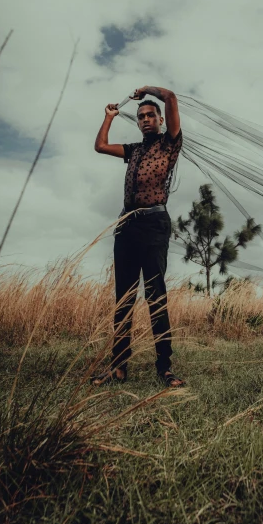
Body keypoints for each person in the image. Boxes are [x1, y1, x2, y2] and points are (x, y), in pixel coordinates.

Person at [91, 85, 184, 387]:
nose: (145, 119)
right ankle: (118, 367)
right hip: (126, 225)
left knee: (156, 296)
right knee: (124, 299)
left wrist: (148, 90)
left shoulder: (170, 143)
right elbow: (101, 146)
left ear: (159, 119)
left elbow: (170, 97)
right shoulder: (134, 150)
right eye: (141, 116)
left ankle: (165, 368)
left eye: (150, 115)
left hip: (154, 223)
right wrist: (109, 116)